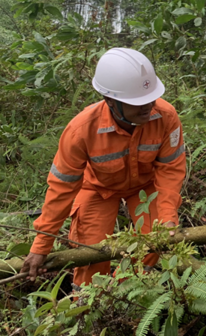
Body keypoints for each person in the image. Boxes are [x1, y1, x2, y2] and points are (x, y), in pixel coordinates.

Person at [22, 48, 187, 286]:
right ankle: (88, 307)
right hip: (97, 189)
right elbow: (61, 188)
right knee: (91, 251)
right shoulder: (81, 130)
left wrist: (169, 216)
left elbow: (170, 171)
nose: (147, 107)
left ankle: (133, 292)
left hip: (145, 187)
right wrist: (41, 245)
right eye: (136, 102)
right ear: (110, 101)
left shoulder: (166, 117)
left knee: (157, 239)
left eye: (150, 99)